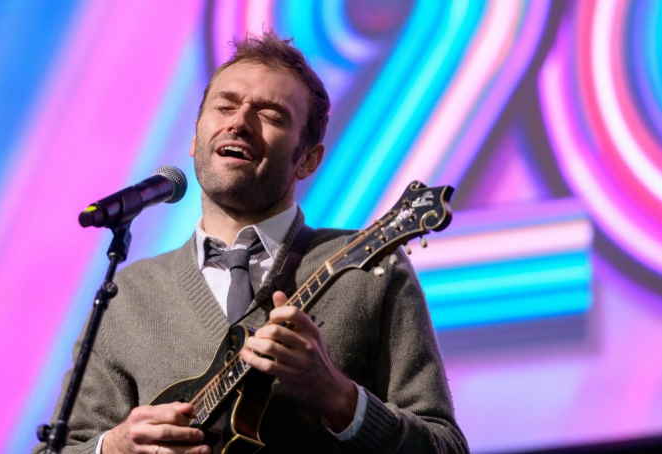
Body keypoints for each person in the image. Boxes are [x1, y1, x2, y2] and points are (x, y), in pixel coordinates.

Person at [34, 31, 468, 454]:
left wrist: (339, 398)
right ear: (195, 136)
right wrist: (116, 447)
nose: (239, 123)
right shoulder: (129, 295)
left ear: (309, 159)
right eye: (224, 106)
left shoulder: (373, 272)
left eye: (271, 115)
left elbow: (446, 446)